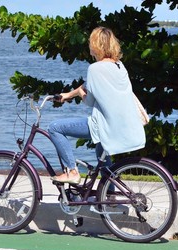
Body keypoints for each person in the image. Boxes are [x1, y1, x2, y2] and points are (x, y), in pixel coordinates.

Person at [48, 26, 146, 184]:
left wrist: (80, 95)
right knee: (102, 154)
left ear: (96, 45)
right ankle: (109, 196)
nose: (88, 46)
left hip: (102, 124)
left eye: (90, 42)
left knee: (55, 127)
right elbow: (87, 85)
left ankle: (72, 171)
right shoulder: (119, 66)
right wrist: (68, 95)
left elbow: (89, 100)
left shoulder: (95, 68)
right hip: (120, 124)